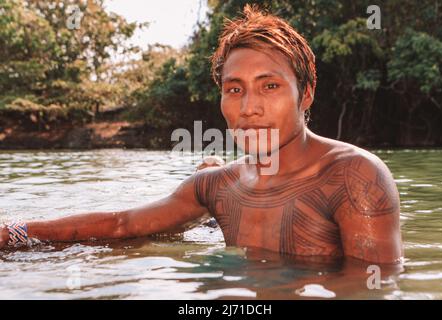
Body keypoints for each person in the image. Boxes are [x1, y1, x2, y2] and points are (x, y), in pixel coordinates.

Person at [0, 5, 402, 264]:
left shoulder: (354, 176)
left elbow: (371, 288)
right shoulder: (214, 186)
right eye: (234, 89)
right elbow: (122, 225)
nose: (249, 107)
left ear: (306, 94)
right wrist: (15, 233)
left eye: (270, 86)